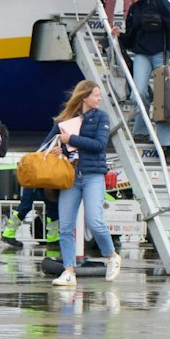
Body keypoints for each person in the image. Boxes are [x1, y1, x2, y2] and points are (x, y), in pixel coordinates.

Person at [49, 80, 120, 288]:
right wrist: (59, 150)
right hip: (71, 175)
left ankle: (112, 256)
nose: (99, 98)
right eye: (96, 95)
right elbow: (64, 146)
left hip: (93, 175)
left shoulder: (102, 118)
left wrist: (71, 138)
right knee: (65, 226)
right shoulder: (68, 118)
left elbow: (99, 146)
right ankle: (69, 271)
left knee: (95, 220)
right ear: (84, 97)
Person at [117, 0, 170, 151]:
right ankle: (143, 129)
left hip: (162, 53)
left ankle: (167, 143)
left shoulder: (158, 1)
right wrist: (119, 37)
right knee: (137, 93)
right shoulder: (133, 10)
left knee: (165, 98)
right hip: (141, 54)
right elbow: (131, 37)